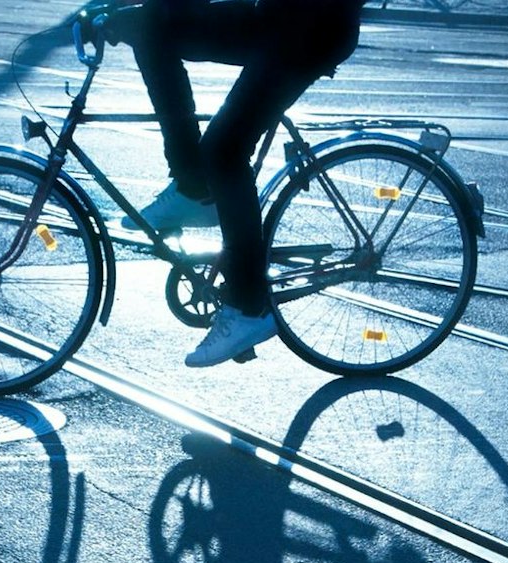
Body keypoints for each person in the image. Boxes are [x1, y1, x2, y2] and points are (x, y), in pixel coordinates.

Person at [94, 0, 363, 367]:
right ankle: (194, 187)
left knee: (224, 150)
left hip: (310, 27)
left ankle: (247, 304)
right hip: (277, 17)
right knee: (151, 29)